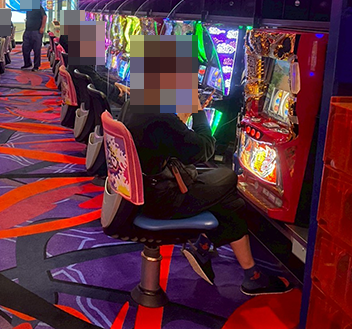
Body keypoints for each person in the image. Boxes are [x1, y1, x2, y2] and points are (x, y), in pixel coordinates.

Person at [119, 38, 292, 296]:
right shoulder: (161, 116)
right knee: (229, 178)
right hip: (160, 200)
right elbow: (203, 150)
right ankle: (208, 249)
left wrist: (182, 113)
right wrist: (197, 111)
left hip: (140, 191)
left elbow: (165, 142)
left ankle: (248, 272)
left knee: (229, 202)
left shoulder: (139, 102)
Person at [21, 4, 46, 71]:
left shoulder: (39, 6)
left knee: (37, 49)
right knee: (25, 48)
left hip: (36, 31)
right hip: (28, 30)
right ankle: (27, 63)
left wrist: (42, 27)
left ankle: (36, 66)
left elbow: (44, 16)